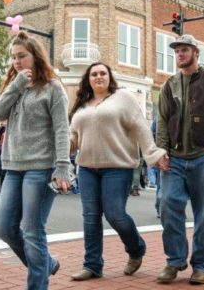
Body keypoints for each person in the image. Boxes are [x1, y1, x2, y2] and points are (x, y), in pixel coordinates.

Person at [68, 62, 167, 281]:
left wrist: (153, 153)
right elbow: (73, 138)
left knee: (115, 214)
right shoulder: (82, 104)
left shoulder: (124, 97)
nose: (98, 77)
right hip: (86, 168)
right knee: (90, 217)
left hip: (118, 166)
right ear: (88, 79)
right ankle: (92, 265)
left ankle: (136, 249)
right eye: (94, 74)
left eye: (103, 73)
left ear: (110, 77)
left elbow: (141, 126)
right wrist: (59, 147)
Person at [0, 31, 72, 290]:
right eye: (13, 57)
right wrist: (15, 86)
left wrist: (62, 168)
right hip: (13, 167)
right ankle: (46, 264)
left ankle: (37, 284)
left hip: (41, 168)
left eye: (22, 56)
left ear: (35, 56)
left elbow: (62, 130)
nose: (16, 61)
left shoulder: (52, 88)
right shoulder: (13, 86)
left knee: (32, 231)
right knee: (5, 228)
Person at [155, 34, 204, 285]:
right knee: (168, 207)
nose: (180, 54)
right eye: (177, 51)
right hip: (175, 159)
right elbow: (163, 121)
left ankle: (201, 265)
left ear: (196, 53)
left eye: (185, 50)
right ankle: (175, 261)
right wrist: (161, 151)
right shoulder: (169, 85)